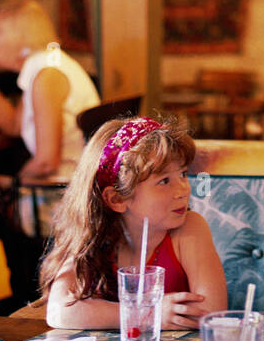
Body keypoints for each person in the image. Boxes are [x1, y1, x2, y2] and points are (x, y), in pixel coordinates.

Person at [0, 0, 100, 312]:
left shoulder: (46, 76)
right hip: (64, 191)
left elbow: (47, 161)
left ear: (18, 37)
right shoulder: (48, 64)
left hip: (55, 200)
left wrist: (8, 182)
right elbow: (12, 125)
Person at [42, 116, 227, 328]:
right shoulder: (93, 237)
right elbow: (60, 312)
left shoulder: (189, 229)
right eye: (164, 181)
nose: (183, 189)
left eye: (183, 174)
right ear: (117, 199)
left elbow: (212, 315)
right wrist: (149, 314)